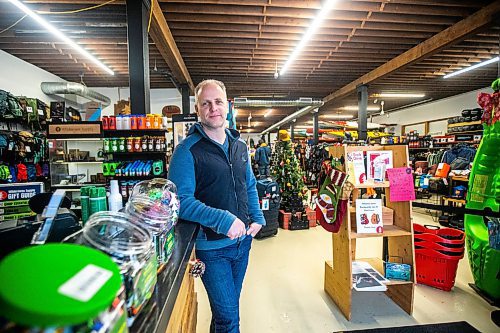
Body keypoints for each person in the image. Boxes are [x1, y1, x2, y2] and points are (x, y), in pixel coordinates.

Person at [168, 79, 265, 333]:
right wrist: (223, 220)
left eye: (218, 102)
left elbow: (249, 184)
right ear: (198, 110)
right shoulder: (186, 151)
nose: (214, 108)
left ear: (227, 106)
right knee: (229, 318)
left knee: (225, 314)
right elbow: (181, 202)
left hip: (243, 244)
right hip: (212, 249)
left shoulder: (240, 145)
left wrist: (257, 217)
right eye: (206, 103)